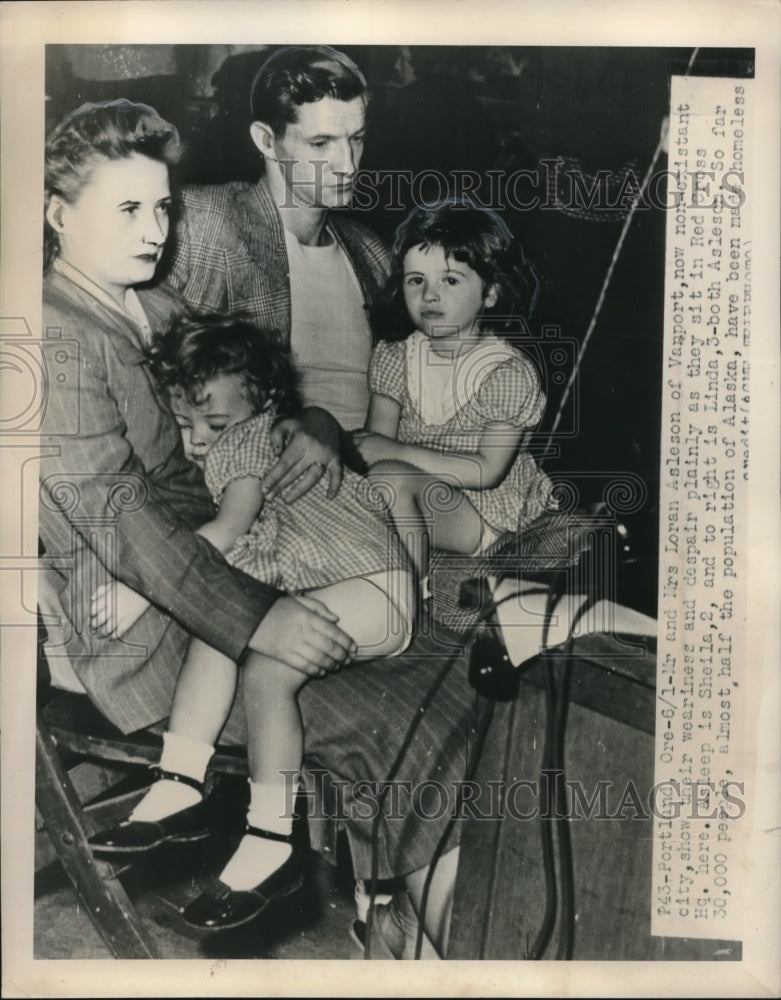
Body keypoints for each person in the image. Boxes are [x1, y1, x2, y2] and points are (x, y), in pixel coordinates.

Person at [38, 99, 354, 755]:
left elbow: (236, 396)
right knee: (384, 714)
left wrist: (312, 421)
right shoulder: (53, 334)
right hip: (142, 624)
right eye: (127, 210)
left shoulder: (151, 298)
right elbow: (116, 515)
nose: (155, 230)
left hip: (225, 563)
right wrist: (257, 615)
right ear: (60, 216)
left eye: (161, 208)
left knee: (435, 674)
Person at [87, 314, 415, 931]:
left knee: (264, 664)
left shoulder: (249, 442)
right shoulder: (248, 434)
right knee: (227, 624)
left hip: (375, 589)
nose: (198, 442)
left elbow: (228, 530)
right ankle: (180, 779)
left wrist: (144, 590)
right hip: (338, 583)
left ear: (260, 403)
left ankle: (270, 839)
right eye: (185, 426)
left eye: (214, 424)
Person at [166, 44, 388, 438]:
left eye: (356, 138)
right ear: (267, 141)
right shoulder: (206, 222)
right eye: (321, 144)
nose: (348, 165)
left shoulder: (372, 253)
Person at [355, 200, 554, 582]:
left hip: (484, 513)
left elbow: (487, 471)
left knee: (390, 481)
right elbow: (374, 446)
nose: (430, 295)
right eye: (416, 280)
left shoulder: (507, 371)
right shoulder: (396, 355)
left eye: (450, 280)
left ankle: (408, 596)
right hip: (415, 496)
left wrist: (395, 453)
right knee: (372, 484)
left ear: (490, 293)